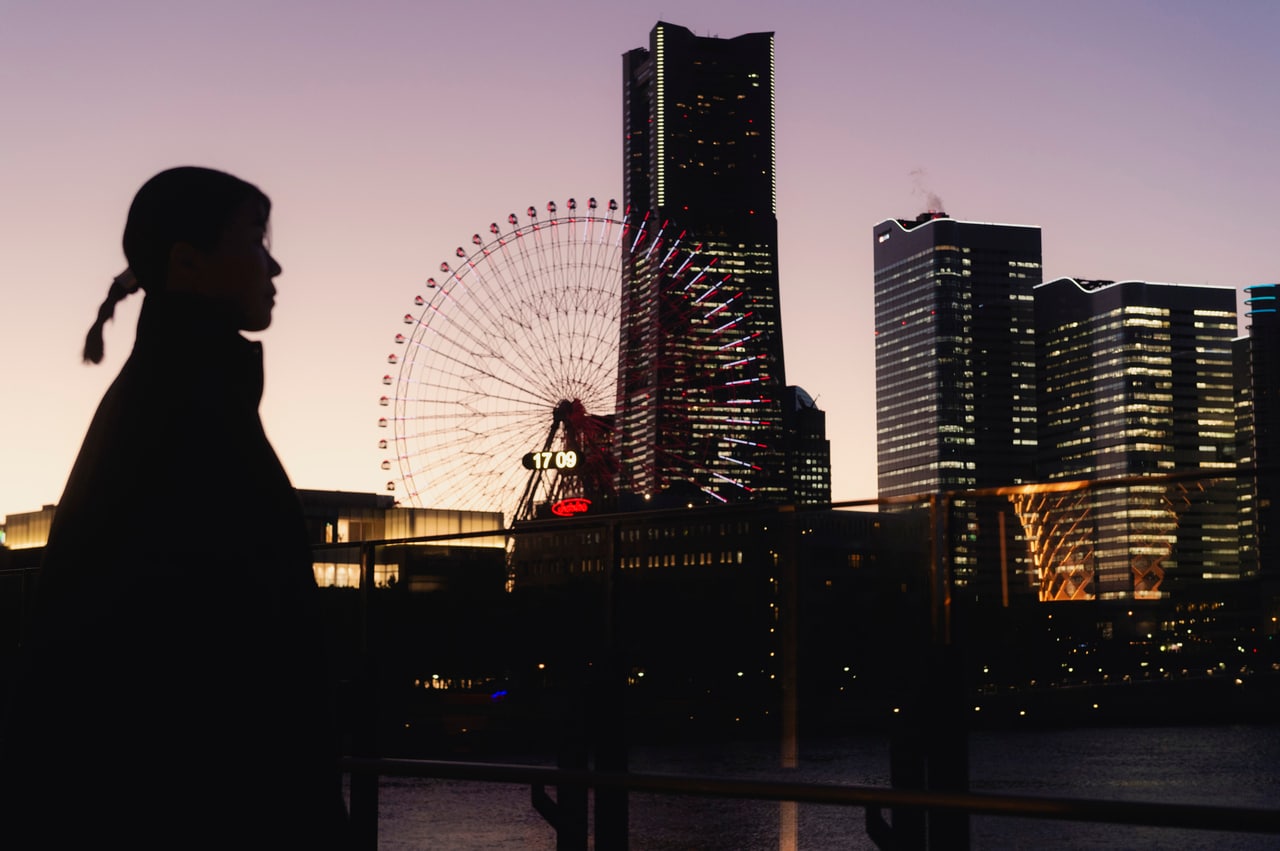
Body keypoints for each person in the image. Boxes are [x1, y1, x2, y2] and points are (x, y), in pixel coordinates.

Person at [0, 167, 349, 848]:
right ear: (188, 261)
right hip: (206, 800)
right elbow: (227, 644)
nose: (274, 264)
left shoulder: (162, 394)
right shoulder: (194, 409)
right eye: (255, 238)